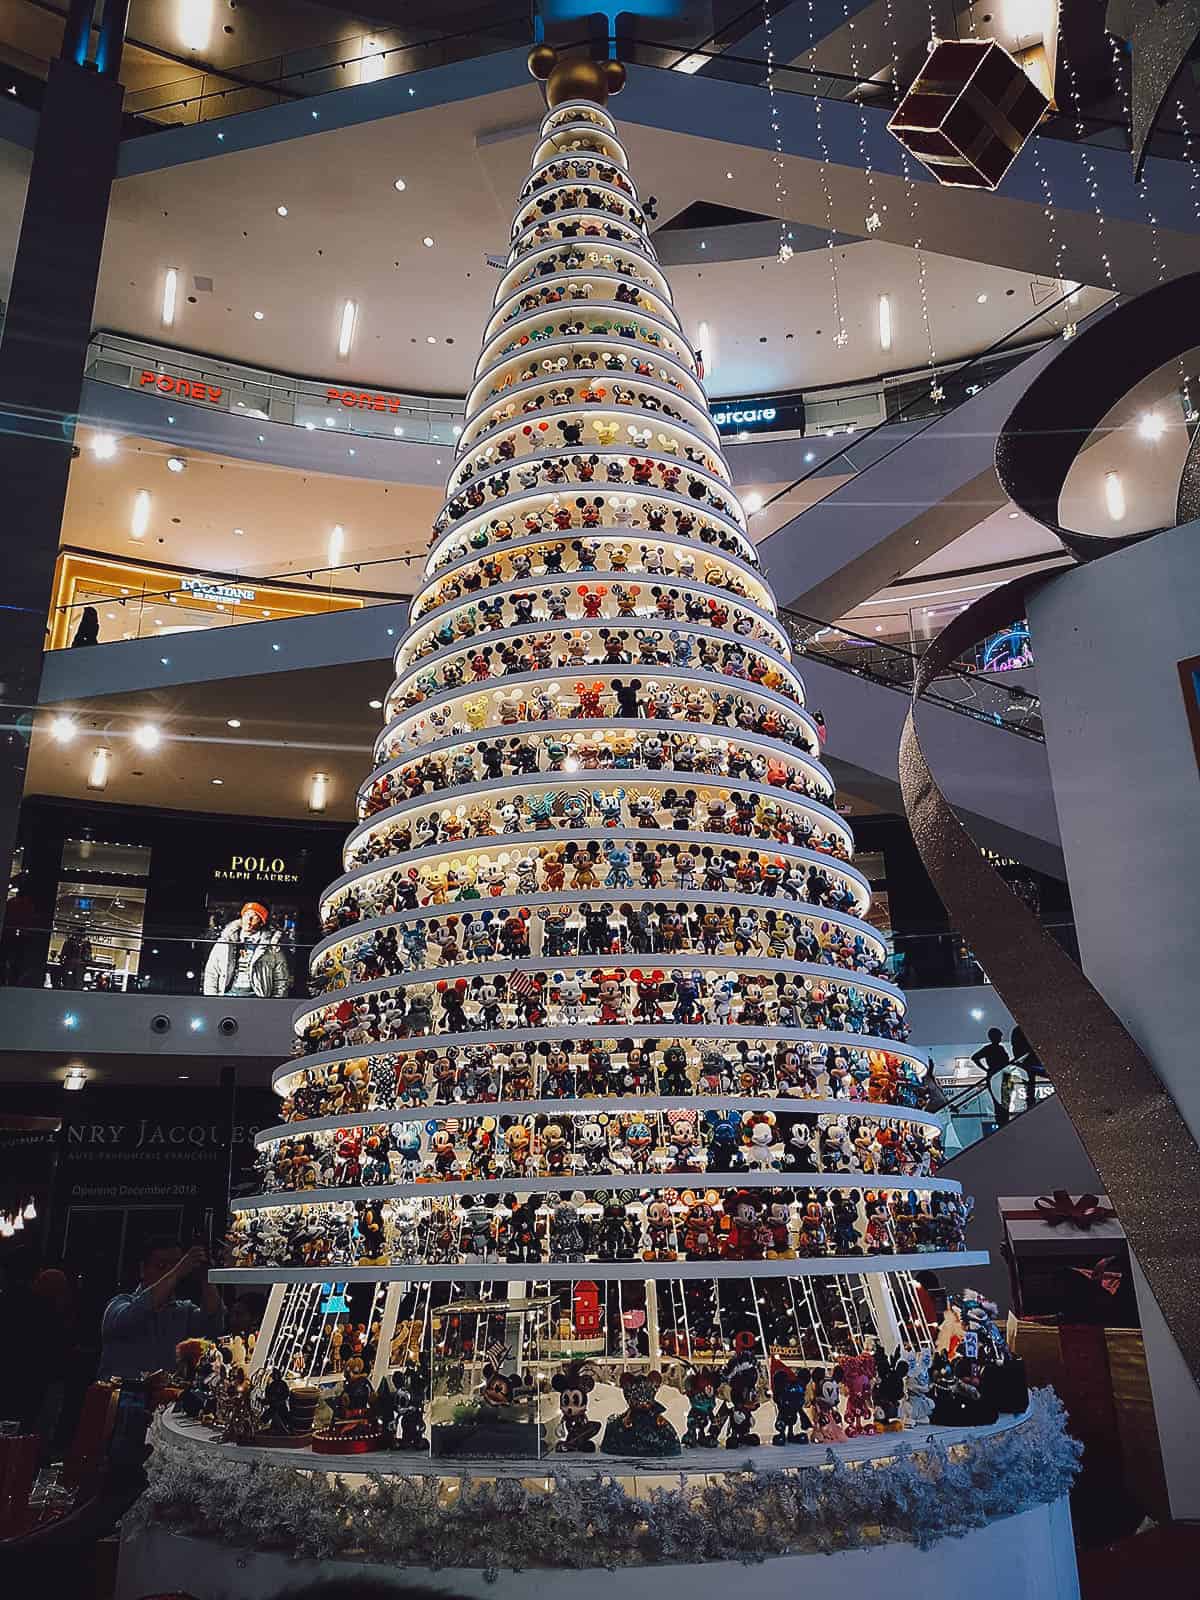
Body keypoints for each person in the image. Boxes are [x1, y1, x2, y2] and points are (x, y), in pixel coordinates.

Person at [99, 1238, 224, 1380]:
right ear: (143, 1269)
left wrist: (206, 1274)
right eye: (161, 1265)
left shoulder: (183, 1312)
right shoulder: (118, 1305)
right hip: (119, 1398)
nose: (169, 1273)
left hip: (163, 1399)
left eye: (175, 1265)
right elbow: (133, 1315)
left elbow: (213, 1324)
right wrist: (177, 1272)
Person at [202, 900, 290, 997]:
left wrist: (275, 1004)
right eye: (247, 914)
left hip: (257, 999)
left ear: (262, 922)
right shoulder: (226, 941)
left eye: (255, 916)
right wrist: (211, 998)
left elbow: (281, 979)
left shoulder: (272, 946)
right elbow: (211, 972)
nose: (249, 919)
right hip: (227, 996)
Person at [971, 1027, 1012, 1126]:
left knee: (1001, 1101)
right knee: (1001, 1102)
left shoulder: (994, 1048)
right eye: (999, 1036)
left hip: (997, 1075)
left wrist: (986, 1069)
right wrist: (986, 1069)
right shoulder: (991, 1048)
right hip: (999, 1076)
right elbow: (974, 1057)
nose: (1001, 1038)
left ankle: (1003, 1120)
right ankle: (1003, 1121)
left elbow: (975, 1058)